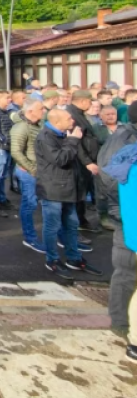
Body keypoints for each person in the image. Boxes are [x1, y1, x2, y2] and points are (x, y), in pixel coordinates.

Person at [35, 109, 103, 280]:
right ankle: (52, 259)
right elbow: (61, 159)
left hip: (68, 188)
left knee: (71, 224)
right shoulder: (46, 137)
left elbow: (75, 154)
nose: (72, 120)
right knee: (52, 226)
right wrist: (73, 140)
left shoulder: (63, 133)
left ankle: (73, 257)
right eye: (68, 118)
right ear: (57, 122)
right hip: (53, 189)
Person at [98, 102, 137, 332]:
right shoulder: (125, 141)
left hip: (125, 213)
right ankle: (122, 324)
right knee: (126, 272)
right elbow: (110, 178)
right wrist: (122, 209)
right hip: (127, 217)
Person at [10, 99, 46, 253]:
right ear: (30, 111)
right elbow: (16, 152)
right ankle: (30, 238)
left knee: (45, 205)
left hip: (40, 170)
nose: (44, 111)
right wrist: (31, 168)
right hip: (29, 172)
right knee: (29, 204)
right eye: (41, 109)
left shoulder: (37, 125)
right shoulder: (21, 127)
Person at [66, 90, 102, 233]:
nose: (91, 104)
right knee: (79, 193)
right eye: (89, 101)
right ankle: (77, 223)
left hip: (85, 160)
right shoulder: (73, 116)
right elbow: (77, 142)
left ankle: (80, 220)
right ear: (82, 101)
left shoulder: (78, 114)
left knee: (82, 191)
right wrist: (87, 162)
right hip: (80, 162)